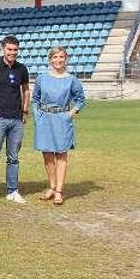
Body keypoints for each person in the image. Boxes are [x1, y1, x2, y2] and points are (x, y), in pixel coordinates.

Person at [31, 46, 86, 206]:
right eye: (55, 57)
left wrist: (70, 114)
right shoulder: (42, 78)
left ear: (65, 59)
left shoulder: (71, 80)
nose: (58, 60)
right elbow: (35, 98)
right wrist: (38, 115)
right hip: (45, 119)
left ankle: (59, 192)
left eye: (61, 57)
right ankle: (52, 187)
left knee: (61, 154)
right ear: (50, 59)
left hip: (62, 119)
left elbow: (81, 99)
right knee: (47, 155)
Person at [0, 35, 30, 204]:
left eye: (15, 50)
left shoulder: (22, 69)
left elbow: (26, 90)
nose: (12, 52)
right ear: (2, 49)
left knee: (13, 157)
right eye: (9, 49)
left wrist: (25, 111)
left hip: (17, 120)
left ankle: (13, 190)